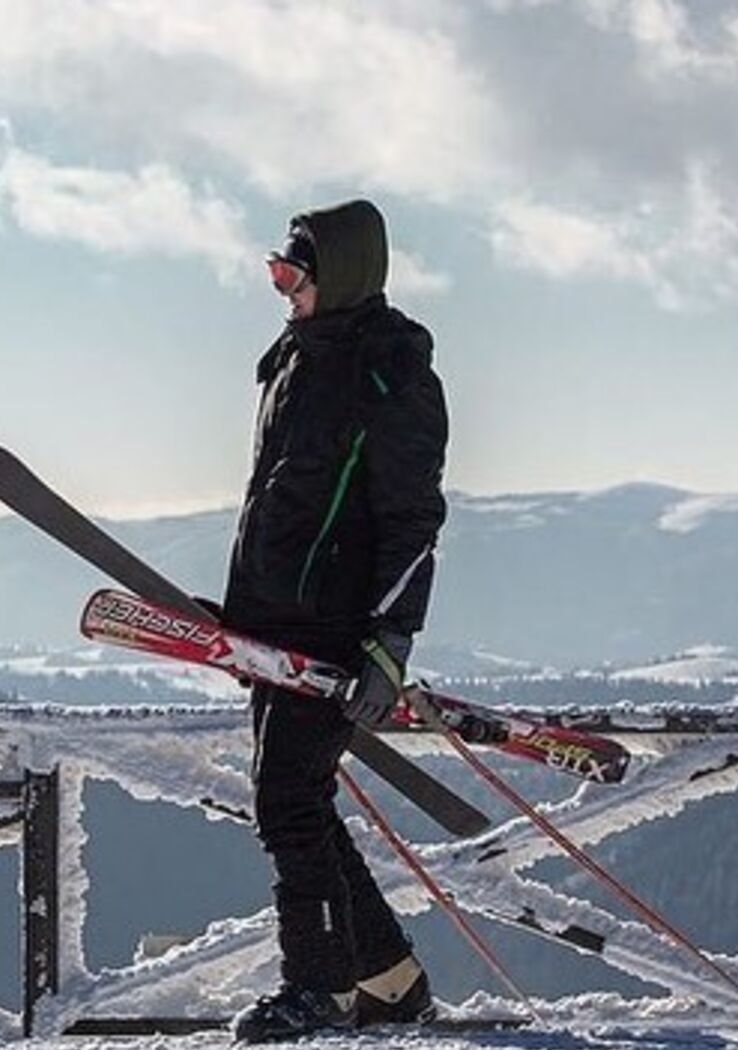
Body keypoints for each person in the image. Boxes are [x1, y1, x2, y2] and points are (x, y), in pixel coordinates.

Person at [222, 199, 449, 1042]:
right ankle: (390, 980)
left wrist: (390, 644)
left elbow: (412, 522)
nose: (281, 290)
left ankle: (318, 990)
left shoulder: (391, 376)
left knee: (286, 802)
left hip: (336, 631)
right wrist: (243, 610)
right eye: (276, 273)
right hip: (272, 622)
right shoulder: (295, 359)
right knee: (298, 799)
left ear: (340, 277)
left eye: (293, 276)